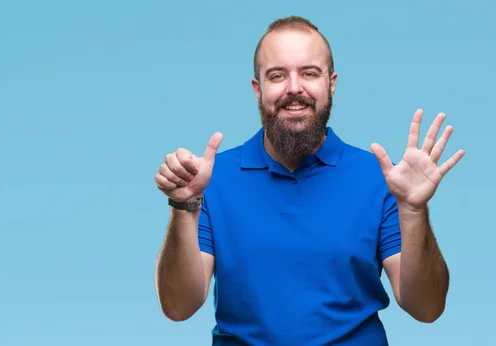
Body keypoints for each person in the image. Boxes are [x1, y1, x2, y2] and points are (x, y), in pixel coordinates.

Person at [153, 15, 464, 346]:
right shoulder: (212, 180)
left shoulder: (381, 178)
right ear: (258, 89)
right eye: (277, 75)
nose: (294, 88)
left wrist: (414, 209)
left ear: (331, 84)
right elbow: (178, 307)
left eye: (309, 73)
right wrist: (184, 206)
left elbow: (427, 308)